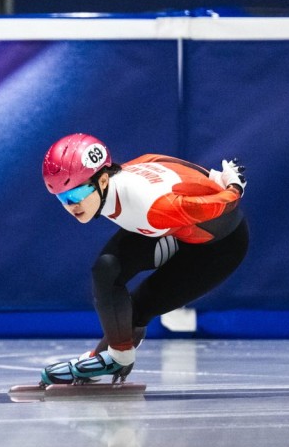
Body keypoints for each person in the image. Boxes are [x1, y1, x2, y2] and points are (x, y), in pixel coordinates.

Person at [39, 133, 248, 385]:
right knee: (106, 271)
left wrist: (233, 184)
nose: (71, 206)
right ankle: (108, 356)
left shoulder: (153, 206)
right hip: (171, 229)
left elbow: (228, 202)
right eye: (62, 198)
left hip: (217, 247)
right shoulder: (124, 175)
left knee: (139, 308)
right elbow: (159, 160)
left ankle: (115, 359)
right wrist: (213, 176)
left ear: (103, 180)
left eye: (75, 196)